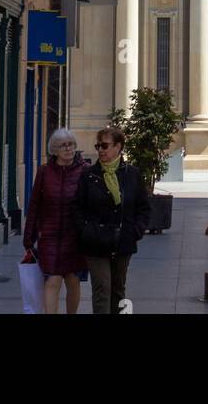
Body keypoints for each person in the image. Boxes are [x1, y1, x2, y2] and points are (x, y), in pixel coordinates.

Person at [73, 125, 151, 314]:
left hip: (122, 241)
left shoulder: (132, 174)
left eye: (105, 146)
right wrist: (85, 231)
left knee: (118, 289)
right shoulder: (89, 175)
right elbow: (77, 207)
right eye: (98, 146)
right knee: (102, 288)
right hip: (95, 241)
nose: (100, 150)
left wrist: (136, 230)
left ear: (118, 147)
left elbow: (144, 207)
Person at [22, 128, 88, 314]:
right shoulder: (44, 172)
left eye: (71, 145)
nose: (68, 149)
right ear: (54, 150)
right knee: (52, 280)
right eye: (63, 146)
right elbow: (34, 205)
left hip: (75, 237)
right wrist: (29, 237)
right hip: (50, 236)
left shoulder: (85, 171)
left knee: (73, 280)